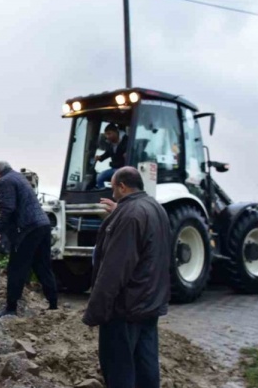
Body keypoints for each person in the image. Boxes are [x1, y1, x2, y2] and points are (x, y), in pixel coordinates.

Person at [82, 167, 171, 388]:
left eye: (113, 188)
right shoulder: (155, 209)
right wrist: (118, 213)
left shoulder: (130, 215)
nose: (112, 194)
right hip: (149, 305)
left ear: (122, 186)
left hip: (124, 309)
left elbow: (114, 270)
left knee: (118, 369)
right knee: (146, 368)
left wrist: (95, 312)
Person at [0, 161, 58, 318]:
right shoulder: (17, 177)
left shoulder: (5, 181)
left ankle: (11, 308)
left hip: (27, 229)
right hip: (42, 226)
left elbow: (7, 208)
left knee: (16, 268)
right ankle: (53, 305)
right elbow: (7, 189)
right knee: (42, 266)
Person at [93, 124, 128, 190]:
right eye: (106, 134)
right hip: (114, 167)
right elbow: (108, 153)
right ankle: (102, 191)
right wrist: (100, 157)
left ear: (116, 132)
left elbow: (130, 151)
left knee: (105, 178)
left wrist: (127, 155)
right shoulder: (110, 143)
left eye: (109, 134)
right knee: (99, 177)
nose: (107, 136)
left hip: (124, 168)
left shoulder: (126, 140)